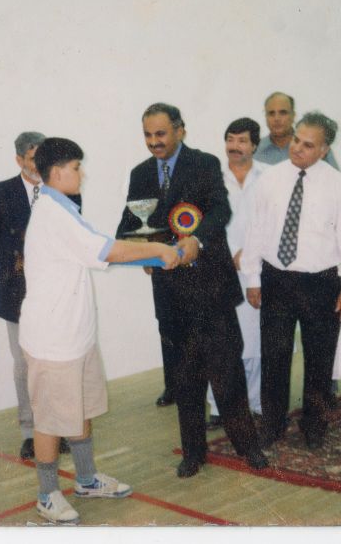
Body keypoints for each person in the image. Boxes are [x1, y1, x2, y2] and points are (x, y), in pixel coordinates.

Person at [21, 137, 180, 524]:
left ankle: (87, 479)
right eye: (77, 167)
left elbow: (98, 252)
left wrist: (148, 253)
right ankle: (46, 495)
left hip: (76, 335)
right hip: (53, 340)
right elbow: (107, 250)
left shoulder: (62, 206)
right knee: (51, 420)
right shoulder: (52, 213)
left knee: (83, 408)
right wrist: (159, 250)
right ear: (58, 173)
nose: (82, 173)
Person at [116, 103, 268, 477]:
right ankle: (193, 453)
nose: (154, 142)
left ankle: (248, 447)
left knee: (228, 376)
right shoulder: (139, 174)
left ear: (180, 130)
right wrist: (145, 251)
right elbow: (128, 224)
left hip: (211, 291)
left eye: (161, 134)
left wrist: (196, 240)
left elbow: (220, 212)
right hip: (170, 296)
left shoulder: (203, 163)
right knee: (185, 381)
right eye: (148, 135)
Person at [242, 111, 341, 450]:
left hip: (321, 282)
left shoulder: (339, 185)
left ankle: (314, 425)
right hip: (276, 279)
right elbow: (256, 229)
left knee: (319, 360)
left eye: (308, 145)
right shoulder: (270, 179)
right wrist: (253, 277)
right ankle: (273, 425)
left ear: (324, 150)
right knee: (274, 357)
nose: (297, 148)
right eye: (296, 140)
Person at [0, 131, 73, 459]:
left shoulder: (62, 191)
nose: (40, 164)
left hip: (56, 294)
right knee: (24, 365)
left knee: (56, 363)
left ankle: (58, 428)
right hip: (15, 294)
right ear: (19, 160)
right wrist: (17, 271)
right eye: (34, 158)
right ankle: (30, 432)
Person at [206, 117, 267, 429]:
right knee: (219, 341)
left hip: (257, 271)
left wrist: (252, 253)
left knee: (254, 342)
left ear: (255, 145)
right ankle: (219, 407)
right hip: (219, 270)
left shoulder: (269, 176)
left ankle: (254, 404)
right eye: (230, 139)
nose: (235, 146)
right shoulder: (211, 177)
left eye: (242, 140)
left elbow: (280, 222)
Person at [256, 91, 339, 169]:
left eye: (283, 113)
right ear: (266, 117)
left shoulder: (315, 148)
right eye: (271, 113)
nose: (277, 118)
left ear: (293, 115)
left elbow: (335, 181)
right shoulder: (254, 151)